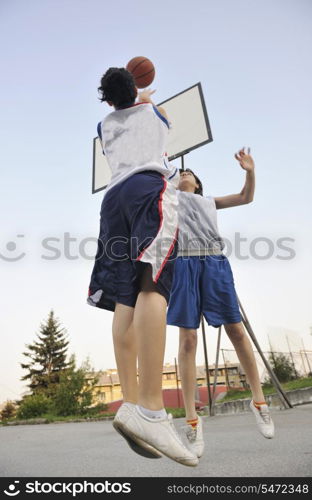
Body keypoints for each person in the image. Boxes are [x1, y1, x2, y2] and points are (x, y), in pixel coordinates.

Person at [87, 67, 198, 467]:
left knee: (125, 297)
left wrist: (134, 90)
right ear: (135, 90)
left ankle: (131, 403)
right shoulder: (154, 113)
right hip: (146, 189)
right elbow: (156, 108)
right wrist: (146, 93)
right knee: (154, 285)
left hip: (112, 201)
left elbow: (127, 104)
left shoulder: (105, 125)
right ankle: (152, 409)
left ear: (109, 100)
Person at [167, 148, 275, 458]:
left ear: (199, 185)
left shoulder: (209, 202)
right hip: (184, 265)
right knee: (187, 340)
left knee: (236, 331)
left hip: (213, 262)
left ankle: (260, 402)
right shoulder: (170, 200)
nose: (185, 175)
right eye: (181, 174)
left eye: (191, 175)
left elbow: (245, 197)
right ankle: (191, 420)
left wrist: (250, 171)